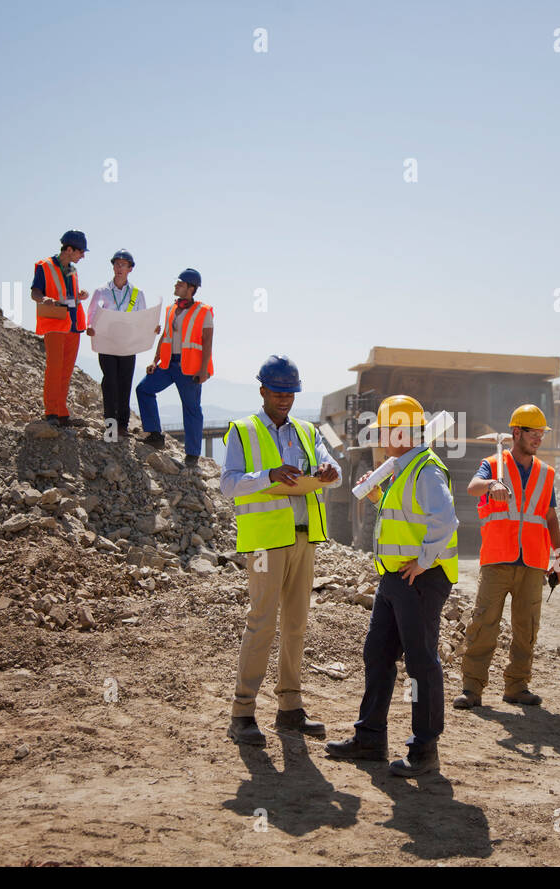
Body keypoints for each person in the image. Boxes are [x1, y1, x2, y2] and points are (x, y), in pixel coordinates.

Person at [326, 395, 458, 777]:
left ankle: (424, 749)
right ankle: (370, 738)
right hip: (394, 578)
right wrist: (376, 496)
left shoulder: (426, 469)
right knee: (377, 654)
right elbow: (406, 516)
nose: (381, 438)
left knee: (421, 663)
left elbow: (446, 520)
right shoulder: (403, 468)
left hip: (419, 580)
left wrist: (425, 560)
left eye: (385, 430)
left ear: (402, 431)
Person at [221, 356, 340, 747]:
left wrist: (328, 473)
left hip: (303, 538)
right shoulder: (243, 430)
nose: (285, 399)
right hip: (264, 543)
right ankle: (242, 713)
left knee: (295, 624)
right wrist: (268, 476)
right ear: (262, 392)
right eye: (278, 392)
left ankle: (290, 708)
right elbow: (229, 484)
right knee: (261, 623)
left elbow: (329, 465)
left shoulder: (307, 430)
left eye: (291, 392)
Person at [453, 404, 560, 709]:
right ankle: (472, 689)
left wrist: (559, 558)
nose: (539, 439)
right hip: (497, 560)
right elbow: (473, 487)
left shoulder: (546, 473)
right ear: (517, 433)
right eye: (533, 433)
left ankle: (517, 686)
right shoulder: (493, 465)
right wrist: (492, 484)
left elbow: (550, 518)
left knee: (526, 628)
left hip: (532, 563)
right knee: (483, 624)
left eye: (542, 433)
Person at [135, 268, 212, 463]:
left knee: (191, 408)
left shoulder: (203, 311)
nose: (176, 286)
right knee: (144, 389)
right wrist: (155, 360)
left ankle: (192, 454)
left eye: (180, 283)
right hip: (168, 364)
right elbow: (165, 337)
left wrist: (203, 370)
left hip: (189, 368)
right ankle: (154, 435)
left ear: (191, 288)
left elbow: (207, 341)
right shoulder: (170, 309)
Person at [85, 249, 150, 435]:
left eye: (123, 264)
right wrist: (90, 327)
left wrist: (150, 329)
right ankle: (110, 427)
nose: (119, 267)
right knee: (110, 383)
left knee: (124, 383)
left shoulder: (138, 294)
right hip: (106, 343)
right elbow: (90, 315)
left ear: (130, 269)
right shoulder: (101, 291)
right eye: (116, 264)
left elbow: (143, 318)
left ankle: (122, 425)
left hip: (128, 344)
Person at [30, 230, 90, 426]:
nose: (83, 256)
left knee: (66, 370)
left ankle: (62, 411)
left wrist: (79, 295)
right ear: (69, 249)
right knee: (54, 369)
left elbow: (69, 294)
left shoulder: (72, 270)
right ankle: (51, 412)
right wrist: (44, 299)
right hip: (55, 323)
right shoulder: (44, 266)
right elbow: (35, 292)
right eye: (81, 252)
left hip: (73, 324)